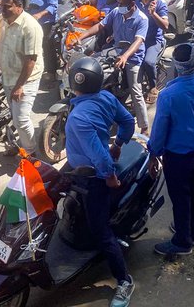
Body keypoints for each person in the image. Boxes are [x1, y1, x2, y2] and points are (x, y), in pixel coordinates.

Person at [63, 57, 136, 307]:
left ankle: (124, 280)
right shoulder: (106, 97)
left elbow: (99, 156)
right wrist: (118, 143)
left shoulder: (79, 118)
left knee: (102, 232)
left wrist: (110, 177)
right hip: (81, 166)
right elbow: (128, 121)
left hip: (93, 175)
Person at [148, 43, 194, 255]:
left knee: (180, 199)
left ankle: (182, 242)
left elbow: (160, 130)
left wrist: (154, 153)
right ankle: (192, 232)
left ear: (176, 66)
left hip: (177, 157)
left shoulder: (168, 95)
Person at [77, 0, 149, 134]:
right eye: (118, 2)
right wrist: (81, 37)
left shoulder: (142, 19)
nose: (119, 5)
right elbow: (100, 26)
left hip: (133, 57)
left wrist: (125, 56)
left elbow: (138, 41)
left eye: (122, 3)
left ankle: (144, 126)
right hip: (115, 51)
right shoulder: (116, 12)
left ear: (132, 4)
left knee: (136, 90)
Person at [0, 0, 44, 155]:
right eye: (2, 7)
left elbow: (31, 59)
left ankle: (31, 153)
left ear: (19, 6)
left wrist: (20, 86)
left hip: (27, 79)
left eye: (7, 7)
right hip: (8, 76)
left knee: (21, 119)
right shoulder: (2, 20)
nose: (3, 10)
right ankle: (18, 145)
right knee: (15, 115)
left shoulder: (30, 26)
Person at [21, 0, 59, 73]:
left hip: (47, 22)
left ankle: (52, 73)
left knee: (47, 46)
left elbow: (53, 6)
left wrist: (39, 15)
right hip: (32, 20)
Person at [136, 0, 168, 104]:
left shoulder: (159, 3)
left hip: (154, 41)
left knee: (148, 62)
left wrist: (153, 14)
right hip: (137, 38)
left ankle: (152, 87)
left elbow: (165, 26)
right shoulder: (135, 1)